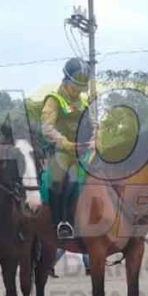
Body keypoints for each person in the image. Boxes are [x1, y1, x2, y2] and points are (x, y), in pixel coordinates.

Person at [40, 57, 94, 240]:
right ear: (66, 80)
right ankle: (62, 222)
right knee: (68, 179)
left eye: (82, 86)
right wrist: (66, 144)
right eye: (75, 85)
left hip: (84, 151)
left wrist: (95, 140)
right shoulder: (53, 100)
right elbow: (47, 128)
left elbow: (94, 125)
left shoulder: (84, 102)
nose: (78, 90)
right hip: (62, 152)